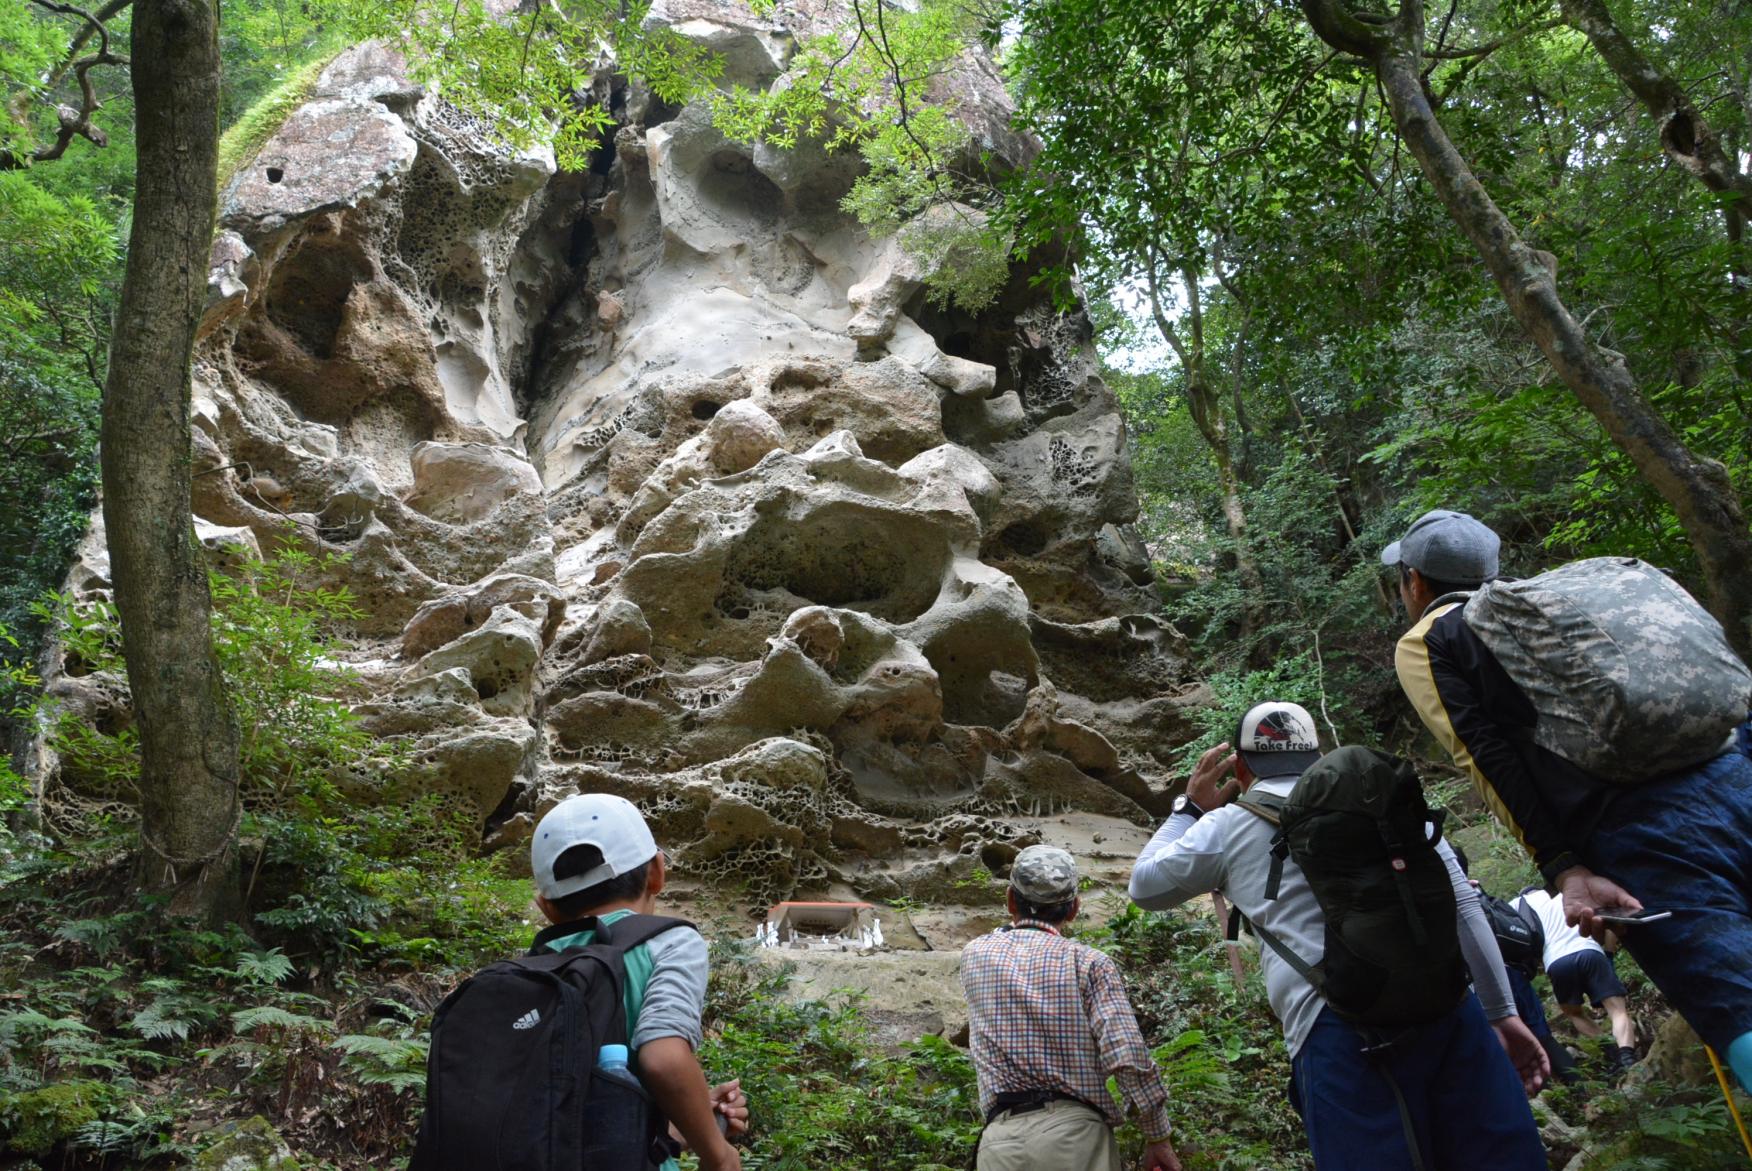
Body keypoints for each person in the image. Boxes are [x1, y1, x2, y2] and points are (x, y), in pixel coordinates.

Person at [1384, 508, 1752, 1092]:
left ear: (1416, 582)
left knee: (1735, 1002)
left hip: (1641, 831)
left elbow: (1483, 756)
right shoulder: (1557, 610)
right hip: (1734, 765)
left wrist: (1563, 866)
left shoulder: (1432, 638)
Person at [1129, 701, 1548, 1171]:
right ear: (1317, 753)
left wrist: (1190, 808)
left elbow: (1144, 887)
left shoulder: (1226, 826)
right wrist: (1501, 1013)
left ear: (1241, 767)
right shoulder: (1384, 801)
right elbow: (1465, 908)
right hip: (1448, 1005)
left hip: (1334, 1027)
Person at [529, 793, 747, 1171]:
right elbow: (662, 1059)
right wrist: (719, 1155)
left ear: (546, 907)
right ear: (657, 873)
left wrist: (686, 1118)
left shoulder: (531, 968)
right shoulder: (670, 943)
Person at [961, 845, 1182, 1171]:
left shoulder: (975, 955)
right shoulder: (1089, 963)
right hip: (1075, 1138)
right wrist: (1156, 1134)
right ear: (1074, 909)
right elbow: (1127, 1055)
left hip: (999, 1143)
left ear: (1010, 901)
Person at [1517, 887, 1636, 1073]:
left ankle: (1612, 1052)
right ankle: (1627, 1057)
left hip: (1556, 961)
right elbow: (1606, 921)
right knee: (1617, 1010)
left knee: (1574, 1013)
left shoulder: (1518, 905)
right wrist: (1609, 955)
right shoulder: (1567, 893)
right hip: (1589, 951)